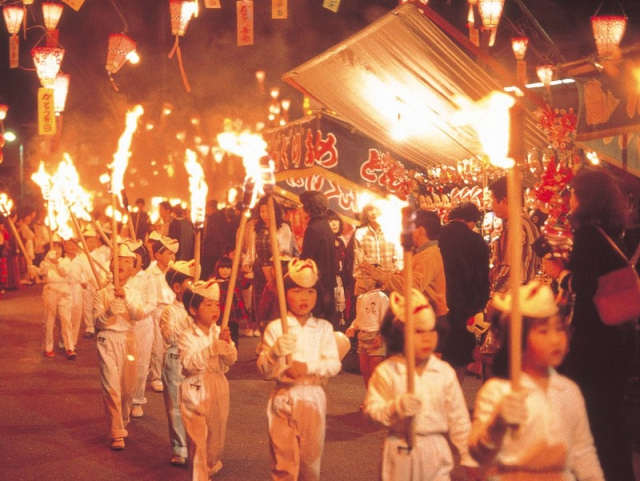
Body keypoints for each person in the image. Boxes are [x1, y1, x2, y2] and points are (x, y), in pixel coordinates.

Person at [545, 169, 637, 481]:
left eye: (572, 193)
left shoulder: (587, 235)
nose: (568, 198)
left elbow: (584, 285)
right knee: (609, 416)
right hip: (615, 338)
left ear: (584, 197)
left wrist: (559, 273)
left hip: (593, 341)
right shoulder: (613, 230)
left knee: (595, 416)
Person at [469, 281, 604, 480]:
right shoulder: (497, 391)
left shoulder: (569, 390)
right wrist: (497, 424)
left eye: (559, 329)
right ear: (517, 339)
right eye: (543, 331)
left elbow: (582, 452)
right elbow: (479, 453)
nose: (555, 339)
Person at [364, 288, 477, 480]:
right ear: (399, 335)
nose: (427, 338)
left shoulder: (444, 372)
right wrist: (395, 408)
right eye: (418, 331)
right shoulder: (387, 372)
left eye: (431, 330)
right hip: (400, 449)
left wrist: (469, 457)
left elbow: (459, 420)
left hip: (435, 451)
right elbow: (371, 412)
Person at [257, 258, 341, 481]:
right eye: (297, 291)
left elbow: (334, 364)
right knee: (283, 463)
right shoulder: (276, 328)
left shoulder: (323, 328)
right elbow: (264, 371)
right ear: (285, 294)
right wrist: (274, 353)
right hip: (283, 399)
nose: (304, 298)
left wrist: (308, 368)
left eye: (310, 292)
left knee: (309, 465)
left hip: (313, 399)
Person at [179, 279, 237, 480]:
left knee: (215, 439)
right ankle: (199, 476)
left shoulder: (220, 332)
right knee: (197, 439)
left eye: (216, 304)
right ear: (193, 310)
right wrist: (211, 349)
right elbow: (188, 363)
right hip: (195, 386)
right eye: (208, 304)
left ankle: (207, 468)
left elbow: (230, 360)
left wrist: (227, 344)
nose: (215, 309)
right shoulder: (187, 335)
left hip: (218, 384)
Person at [93, 241, 146, 450]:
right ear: (111, 265)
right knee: (111, 386)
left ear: (133, 268)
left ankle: (122, 420)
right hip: (107, 340)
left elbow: (139, 314)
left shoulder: (134, 291)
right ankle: (116, 432)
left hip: (129, 340)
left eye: (126, 261)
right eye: (118, 261)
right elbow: (97, 321)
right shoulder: (101, 293)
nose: (122, 264)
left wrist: (126, 300)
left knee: (127, 388)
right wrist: (108, 312)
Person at [361, 210, 448, 335]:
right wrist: (381, 273)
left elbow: (414, 286)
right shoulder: (422, 253)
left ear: (420, 230)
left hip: (431, 318)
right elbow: (406, 277)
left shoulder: (429, 255)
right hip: (424, 316)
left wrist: (382, 277)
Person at [439, 202, 490, 382]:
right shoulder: (477, 241)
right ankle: (455, 395)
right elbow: (483, 278)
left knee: (437, 352)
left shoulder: (437, 234)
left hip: (437, 302)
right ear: (472, 220)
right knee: (459, 355)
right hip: (464, 306)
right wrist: (480, 305)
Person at [243, 194, 299, 337]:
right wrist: (247, 264)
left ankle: (280, 337)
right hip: (259, 271)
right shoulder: (256, 229)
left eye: (268, 211)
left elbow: (286, 251)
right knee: (261, 307)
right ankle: (264, 340)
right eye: (262, 212)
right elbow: (251, 252)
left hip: (278, 271)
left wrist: (277, 264)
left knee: (277, 307)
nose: (265, 215)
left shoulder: (283, 227)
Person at [159, 260, 195, 467]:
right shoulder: (169, 311)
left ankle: (196, 444)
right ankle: (179, 447)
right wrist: (189, 318)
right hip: (174, 361)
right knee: (175, 407)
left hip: (196, 362)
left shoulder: (199, 308)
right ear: (177, 287)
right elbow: (169, 336)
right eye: (190, 283)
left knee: (196, 404)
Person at [488, 176, 541, 294]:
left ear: (503, 201)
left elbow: (509, 268)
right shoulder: (528, 223)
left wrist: (495, 296)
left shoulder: (515, 226)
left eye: (492, 200)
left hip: (513, 298)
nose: (491, 205)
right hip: (526, 295)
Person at [30, 234, 76, 359]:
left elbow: (64, 272)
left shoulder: (65, 261)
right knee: (49, 320)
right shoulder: (46, 260)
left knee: (66, 319)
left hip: (64, 290)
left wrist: (56, 261)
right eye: (53, 247)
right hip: (50, 290)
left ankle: (70, 347)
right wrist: (34, 268)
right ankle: (47, 348)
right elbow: (42, 272)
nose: (56, 249)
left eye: (58, 247)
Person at [147, 231, 179, 394]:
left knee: (172, 344)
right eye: (169, 253)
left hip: (172, 310)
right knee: (157, 346)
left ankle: (170, 373)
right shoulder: (149, 271)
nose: (172, 257)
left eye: (174, 253)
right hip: (155, 311)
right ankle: (156, 377)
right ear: (158, 255)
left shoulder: (176, 271)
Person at [345, 280, 389, 401]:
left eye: (368, 276)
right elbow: (359, 317)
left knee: (375, 371)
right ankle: (370, 399)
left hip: (375, 337)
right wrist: (353, 327)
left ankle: (379, 400)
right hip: (362, 336)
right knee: (365, 370)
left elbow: (386, 318)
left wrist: (381, 336)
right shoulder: (360, 297)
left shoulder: (382, 297)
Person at [299, 191, 337, 325]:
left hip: (318, 283)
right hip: (328, 281)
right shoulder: (325, 225)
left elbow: (307, 258)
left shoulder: (313, 229)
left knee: (317, 321)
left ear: (310, 207)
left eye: (302, 205)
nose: (301, 208)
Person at [350, 203, 402, 298]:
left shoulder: (393, 231)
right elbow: (358, 261)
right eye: (370, 209)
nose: (373, 213)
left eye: (377, 209)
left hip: (389, 283)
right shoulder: (360, 233)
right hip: (368, 284)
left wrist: (391, 277)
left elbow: (399, 260)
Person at [212, 255, 249, 347]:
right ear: (217, 269)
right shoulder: (214, 283)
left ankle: (234, 352)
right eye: (222, 267)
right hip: (220, 313)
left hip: (233, 314)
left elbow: (245, 285)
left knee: (234, 333)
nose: (225, 270)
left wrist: (247, 274)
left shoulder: (234, 281)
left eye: (228, 268)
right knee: (219, 333)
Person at [327, 209, 352, 328]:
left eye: (336, 220)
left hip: (342, 281)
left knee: (343, 311)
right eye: (330, 221)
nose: (334, 223)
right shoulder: (325, 242)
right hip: (331, 282)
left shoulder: (340, 241)